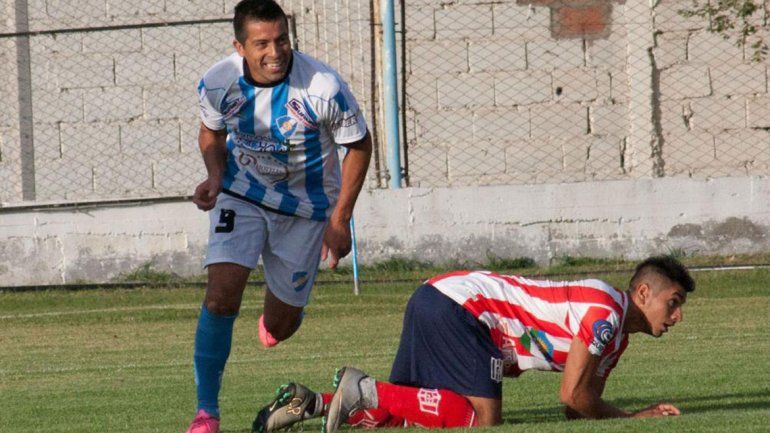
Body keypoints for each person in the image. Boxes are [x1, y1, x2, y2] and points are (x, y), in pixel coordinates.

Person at [185, 0, 372, 431]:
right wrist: (215, 177)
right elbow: (211, 130)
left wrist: (340, 219)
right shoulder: (218, 83)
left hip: (305, 211)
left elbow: (358, 145)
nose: (275, 52)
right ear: (240, 46)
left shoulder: (323, 86)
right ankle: (206, 412)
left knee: (280, 327)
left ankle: (281, 316)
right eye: (262, 43)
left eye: (282, 40)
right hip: (242, 194)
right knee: (221, 294)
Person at [252, 256, 694, 432]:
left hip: (439, 297)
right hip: (464, 309)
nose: (677, 316)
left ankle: (307, 403)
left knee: (406, 412)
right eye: (672, 303)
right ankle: (362, 389)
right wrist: (634, 416)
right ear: (642, 294)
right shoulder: (607, 314)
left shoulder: (615, 339)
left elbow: (577, 407)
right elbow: (573, 394)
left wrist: (617, 413)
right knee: (481, 420)